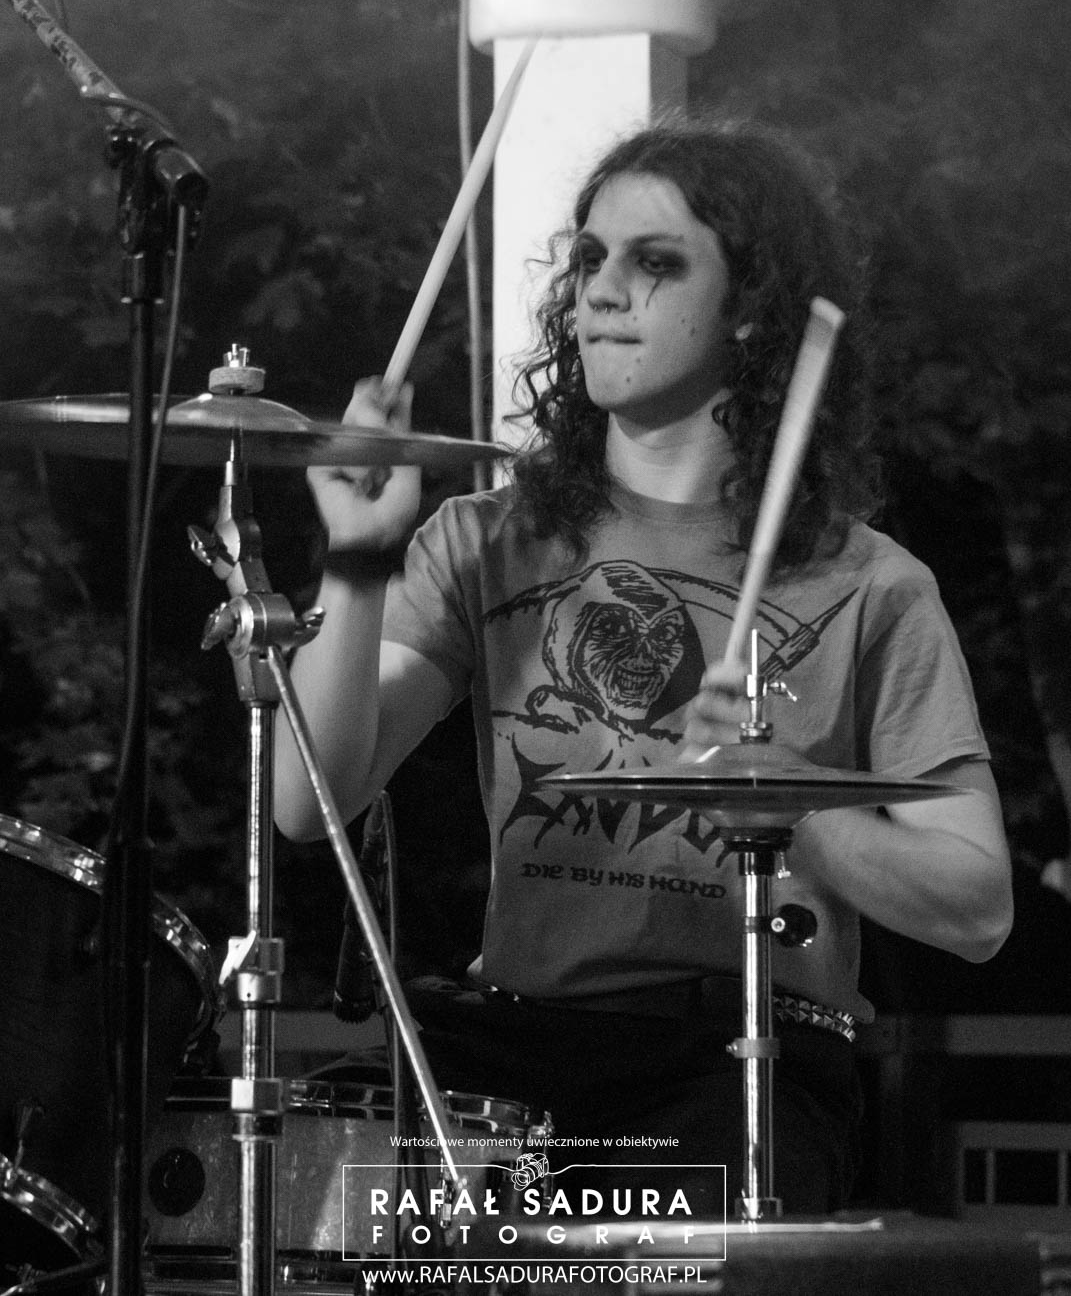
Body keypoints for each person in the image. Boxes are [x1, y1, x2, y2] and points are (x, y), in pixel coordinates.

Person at [275, 116, 1013, 1220]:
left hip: (734, 1064)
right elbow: (306, 801)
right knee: (319, 1191)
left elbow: (977, 906)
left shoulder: (867, 583)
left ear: (752, 308)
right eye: (589, 259)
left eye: (655, 263)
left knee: (660, 1261)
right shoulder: (487, 540)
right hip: (511, 1051)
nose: (603, 292)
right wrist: (357, 559)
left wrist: (784, 804)